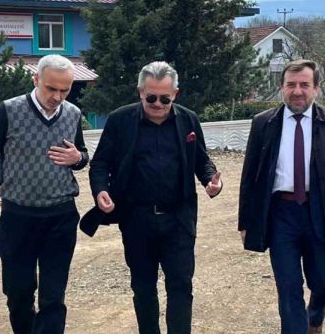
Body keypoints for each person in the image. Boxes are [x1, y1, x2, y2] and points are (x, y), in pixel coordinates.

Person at [80, 61, 223, 334]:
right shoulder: (120, 120)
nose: (158, 104)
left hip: (178, 219)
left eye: (165, 98)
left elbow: (201, 160)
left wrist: (211, 180)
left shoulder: (189, 120)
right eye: (151, 98)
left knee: (181, 286)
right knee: (143, 288)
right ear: (140, 92)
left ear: (175, 94)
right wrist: (100, 191)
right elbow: (100, 163)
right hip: (136, 219)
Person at [238, 59, 325, 334]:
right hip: (281, 215)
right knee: (288, 287)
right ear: (282, 88)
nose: (297, 91)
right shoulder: (263, 124)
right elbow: (250, 177)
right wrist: (246, 221)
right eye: (291, 85)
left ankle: (315, 317)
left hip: (322, 212)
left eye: (304, 85)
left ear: (316, 88)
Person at [0, 54, 88, 334]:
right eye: (51, 88)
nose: (57, 96)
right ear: (36, 80)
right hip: (18, 217)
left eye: (65, 89)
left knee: (53, 297)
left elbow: (81, 155)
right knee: (18, 293)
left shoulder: (73, 113)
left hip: (61, 216)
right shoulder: (10, 110)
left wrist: (78, 158)